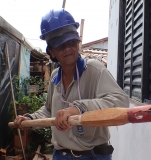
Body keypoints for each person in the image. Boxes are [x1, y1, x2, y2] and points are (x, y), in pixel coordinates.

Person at [14, 9, 129, 160]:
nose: (68, 48)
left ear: (78, 43)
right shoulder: (55, 77)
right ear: (52, 52)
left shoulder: (94, 70)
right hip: (61, 154)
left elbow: (120, 102)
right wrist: (30, 119)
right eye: (61, 45)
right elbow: (49, 110)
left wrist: (78, 108)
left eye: (71, 42)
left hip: (93, 155)